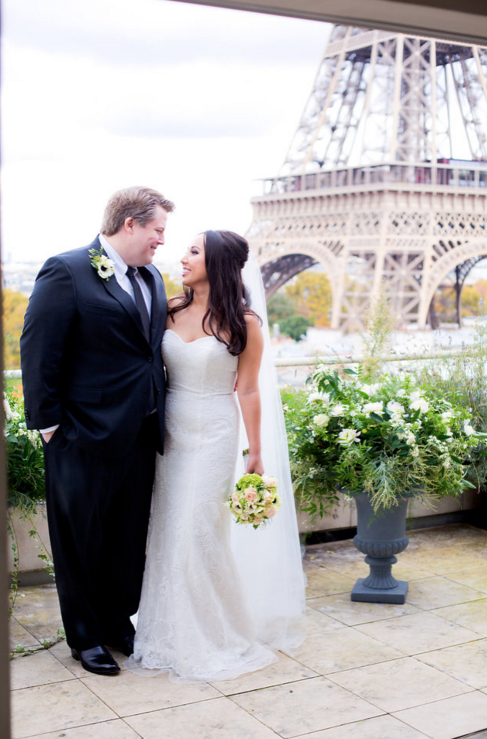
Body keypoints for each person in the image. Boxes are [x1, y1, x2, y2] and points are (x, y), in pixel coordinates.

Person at [129, 230, 306, 683]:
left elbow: (247, 388)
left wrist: (257, 452)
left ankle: (217, 635)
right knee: (168, 529)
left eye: (193, 251)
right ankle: (166, 632)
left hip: (214, 432)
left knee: (199, 532)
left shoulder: (245, 323)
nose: (182, 257)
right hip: (170, 431)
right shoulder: (168, 308)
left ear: (220, 263)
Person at [20, 186, 175, 676]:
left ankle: (115, 623)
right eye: (157, 230)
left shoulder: (151, 276)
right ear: (130, 223)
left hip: (140, 433)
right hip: (80, 437)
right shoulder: (65, 270)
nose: (161, 242)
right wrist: (49, 427)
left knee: (128, 538)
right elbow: (38, 349)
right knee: (79, 540)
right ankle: (84, 638)